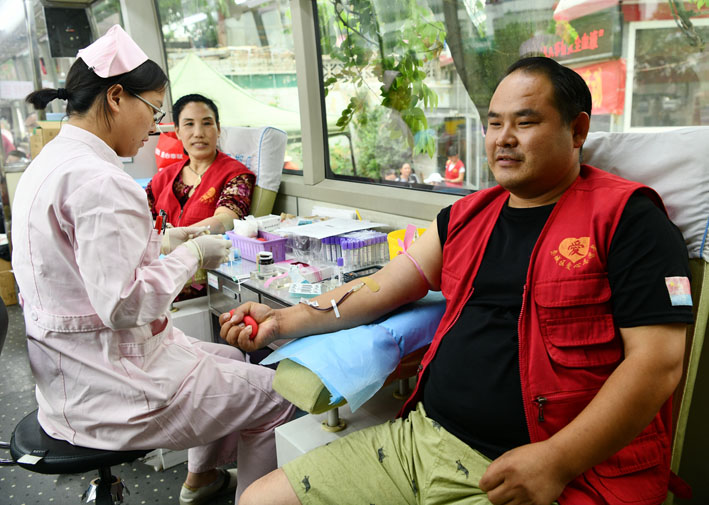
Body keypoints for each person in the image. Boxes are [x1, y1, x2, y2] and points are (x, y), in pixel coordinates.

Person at [222, 56, 693, 505]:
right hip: (420, 440)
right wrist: (283, 320)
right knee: (259, 498)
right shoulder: (466, 218)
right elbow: (380, 288)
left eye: (525, 122)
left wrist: (557, 460)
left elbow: (658, 363)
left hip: (551, 472)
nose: (504, 138)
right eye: (494, 123)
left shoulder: (628, 221)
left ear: (577, 130)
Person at [12, 25, 294, 505]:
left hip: (69, 376)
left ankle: (201, 479)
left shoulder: (50, 162)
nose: (157, 128)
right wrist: (192, 254)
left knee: (229, 358)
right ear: (116, 97)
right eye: (157, 110)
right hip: (111, 387)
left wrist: (165, 242)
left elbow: (84, 260)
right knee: (279, 395)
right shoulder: (101, 180)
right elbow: (122, 304)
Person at [146, 93, 254, 234]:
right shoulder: (161, 178)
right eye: (189, 124)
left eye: (207, 123)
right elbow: (141, 219)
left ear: (218, 129)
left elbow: (226, 221)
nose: (198, 133)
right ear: (177, 131)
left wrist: (180, 236)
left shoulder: (236, 175)